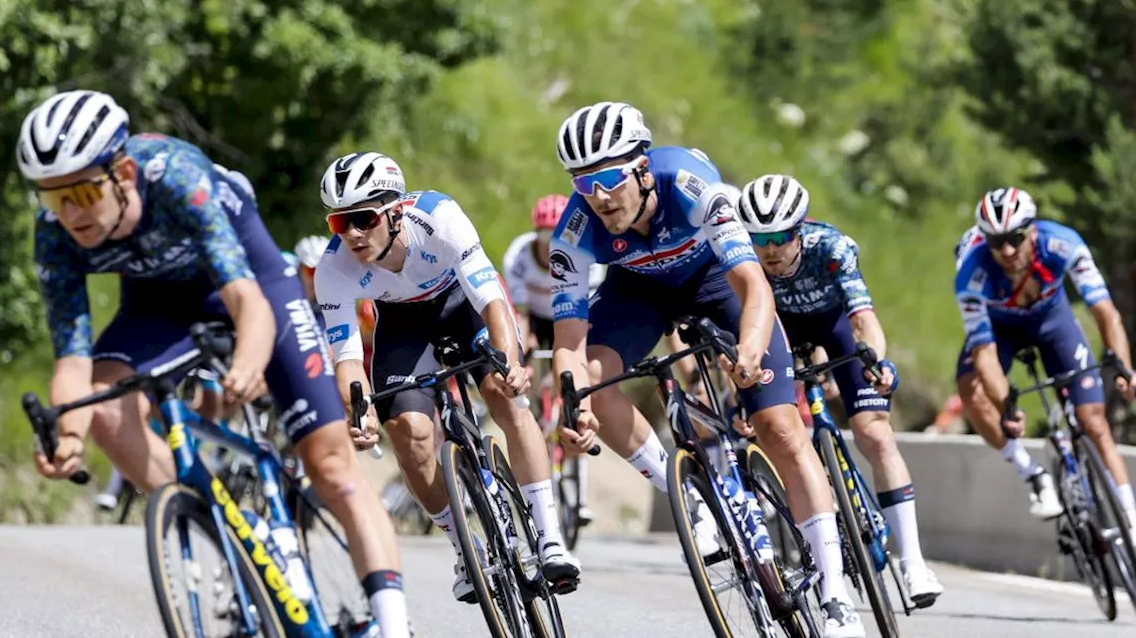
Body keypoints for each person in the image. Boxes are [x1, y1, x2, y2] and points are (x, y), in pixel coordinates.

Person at [19, 90, 411, 636]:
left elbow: (248, 302)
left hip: (253, 284)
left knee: (332, 466)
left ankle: (393, 623)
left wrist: (249, 364)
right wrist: (68, 436)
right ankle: (223, 521)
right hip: (157, 306)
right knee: (105, 408)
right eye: (53, 198)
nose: (70, 213)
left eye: (83, 191)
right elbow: (72, 361)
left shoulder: (178, 177)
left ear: (124, 173)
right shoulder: (54, 235)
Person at [548, 101, 865, 637]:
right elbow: (569, 345)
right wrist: (571, 407)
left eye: (607, 177)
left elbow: (754, 286)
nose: (598, 196)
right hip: (636, 294)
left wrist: (749, 350)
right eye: (583, 183)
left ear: (642, 168)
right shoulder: (574, 232)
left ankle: (835, 592)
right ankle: (689, 497)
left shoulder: (692, 185)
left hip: (714, 279)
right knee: (596, 385)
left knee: (781, 429)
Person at [313, 151, 582, 603]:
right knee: (411, 434)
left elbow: (491, 299)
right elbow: (347, 358)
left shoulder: (439, 217)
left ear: (395, 212)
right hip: (402, 324)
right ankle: (465, 550)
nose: (353, 234)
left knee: (503, 391)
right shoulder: (334, 270)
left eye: (363, 218)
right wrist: (359, 412)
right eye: (340, 224)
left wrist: (512, 362)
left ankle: (551, 537)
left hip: (463, 303)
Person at [733, 173, 945, 608]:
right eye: (759, 237)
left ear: (799, 230)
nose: (769, 248)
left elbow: (862, 316)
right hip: (780, 330)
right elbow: (744, 333)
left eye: (779, 236)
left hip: (834, 325)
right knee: (778, 430)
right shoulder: (744, 263)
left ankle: (914, 563)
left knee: (873, 433)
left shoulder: (833, 248)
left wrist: (876, 360)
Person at [954, 187, 1136, 577]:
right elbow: (984, 353)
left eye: (1014, 239)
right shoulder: (972, 270)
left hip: (1052, 322)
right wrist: (1007, 408)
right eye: (996, 242)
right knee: (969, 388)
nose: (1005, 251)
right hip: (999, 331)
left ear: (1032, 232)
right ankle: (1032, 475)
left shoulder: (1064, 244)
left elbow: (1106, 314)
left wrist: (1124, 368)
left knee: (1095, 423)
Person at [502, 194, 607, 525]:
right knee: (523, 362)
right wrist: (524, 347)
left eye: (556, 236)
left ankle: (581, 495)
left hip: (573, 316)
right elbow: (517, 314)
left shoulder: (586, 256)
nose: (550, 245)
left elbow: (587, 317)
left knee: (578, 401)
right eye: (544, 238)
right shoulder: (519, 255)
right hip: (534, 317)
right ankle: (536, 415)